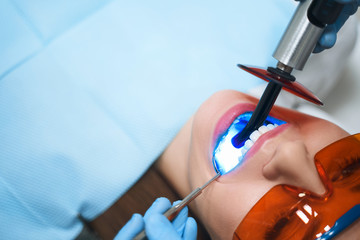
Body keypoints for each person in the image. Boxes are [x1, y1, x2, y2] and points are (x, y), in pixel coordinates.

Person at [0, 0, 359, 239]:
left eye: (281, 225)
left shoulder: (24, 216)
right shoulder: (315, 36)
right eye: (350, 168)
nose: (290, 156)